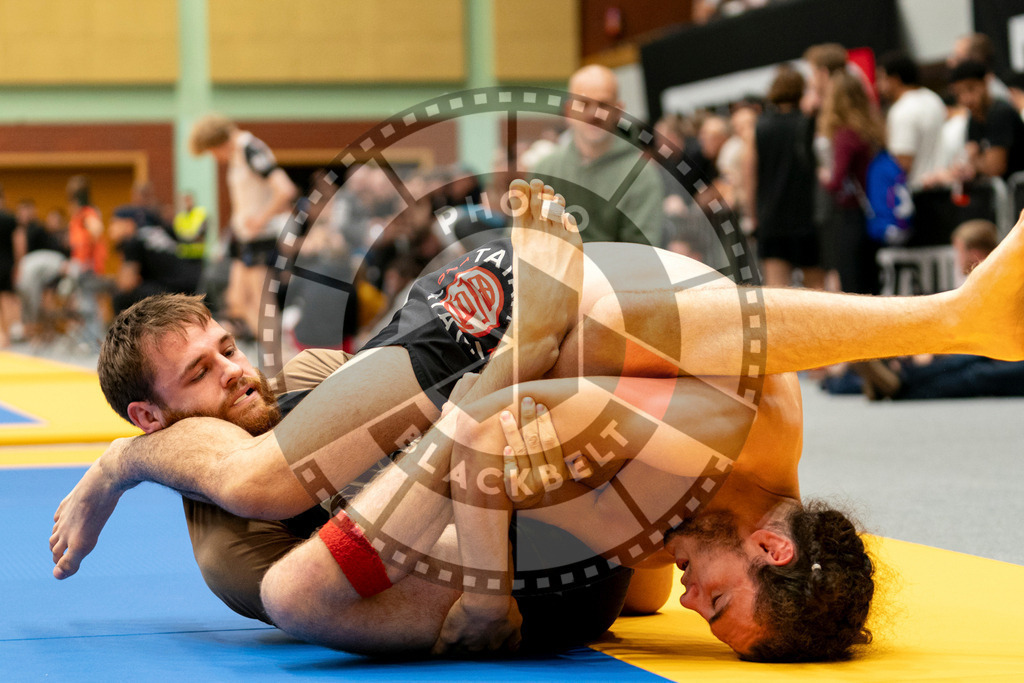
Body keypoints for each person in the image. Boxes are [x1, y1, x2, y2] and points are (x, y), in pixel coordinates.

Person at [52, 179, 1024, 658]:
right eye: (719, 600)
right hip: (488, 314)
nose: (696, 602)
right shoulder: (731, 427)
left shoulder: (676, 535)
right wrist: (485, 596)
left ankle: (356, 380)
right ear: (770, 544)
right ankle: (120, 463)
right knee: (267, 496)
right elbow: (491, 425)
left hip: (500, 363)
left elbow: (514, 443)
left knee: (620, 587)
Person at [189, 114, 298, 340]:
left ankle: (281, 358)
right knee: (236, 300)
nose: (215, 158)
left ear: (218, 143)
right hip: (244, 240)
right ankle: (273, 348)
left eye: (212, 151)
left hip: (260, 239)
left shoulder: (250, 149)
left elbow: (285, 189)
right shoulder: (238, 155)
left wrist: (261, 218)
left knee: (260, 303)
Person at [531, 65, 664, 246]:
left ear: (618, 111)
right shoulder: (545, 169)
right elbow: (523, 238)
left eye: (603, 104)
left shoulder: (641, 175)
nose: (593, 114)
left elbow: (641, 253)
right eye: (583, 104)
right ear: (569, 111)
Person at [746, 66, 823, 288]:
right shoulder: (809, 123)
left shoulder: (759, 127)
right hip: (807, 215)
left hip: (772, 218)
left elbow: (749, 176)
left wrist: (753, 216)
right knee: (816, 289)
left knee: (777, 291)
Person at [818, 71, 884, 294]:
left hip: (852, 216)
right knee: (872, 283)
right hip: (873, 212)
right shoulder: (871, 129)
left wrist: (824, 176)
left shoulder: (845, 135)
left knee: (854, 286)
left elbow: (837, 182)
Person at [876, 52, 947, 189]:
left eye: (881, 78)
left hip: (919, 192)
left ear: (894, 80)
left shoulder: (901, 110)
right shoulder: (933, 98)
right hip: (941, 186)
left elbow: (903, 162)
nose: (878, 85)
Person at [948, 60, 1024, 181]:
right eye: (958, 94)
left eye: (971, 89)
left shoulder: (1000, 112)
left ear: (985, 83)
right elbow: (968, 158)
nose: (966, 99)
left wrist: (975, 161)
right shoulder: (973, 119)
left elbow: (995, 168)